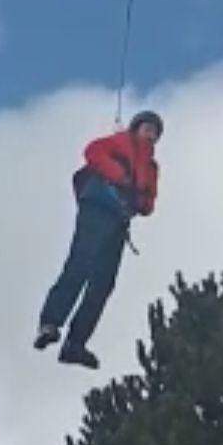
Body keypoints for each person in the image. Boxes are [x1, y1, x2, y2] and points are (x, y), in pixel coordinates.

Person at [34, 110, 163, 369]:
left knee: (103, 284)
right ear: (136, 128)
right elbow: (92, 151)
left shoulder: (151, 167)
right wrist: (120, 177)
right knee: (80, 265)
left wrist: (140, 200)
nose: (150, 134)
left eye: (154, 131)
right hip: (97, 209)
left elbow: (149, 204)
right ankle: (49, 323)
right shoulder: (120, 142)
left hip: (119, 221)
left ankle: (76, 343)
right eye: (146, 128)